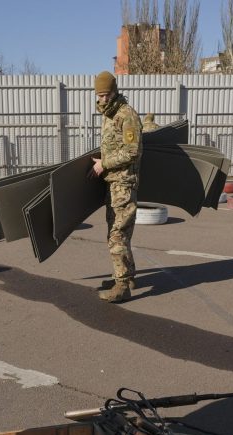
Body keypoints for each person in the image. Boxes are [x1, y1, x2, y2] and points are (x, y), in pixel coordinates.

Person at [88, 71, 142, 303]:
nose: (101, 100)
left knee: (117, 235)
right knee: (119, 232)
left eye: (105, 95)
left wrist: (104, 164)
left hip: (124, 183)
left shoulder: (125, 115)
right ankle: (126, 276)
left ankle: (122, 286)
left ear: (114, 91)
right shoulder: (109, 115)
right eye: (98, 95)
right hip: (113, 184)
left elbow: (133, 151)